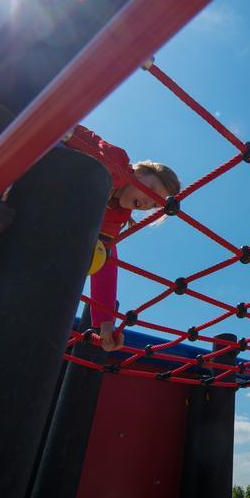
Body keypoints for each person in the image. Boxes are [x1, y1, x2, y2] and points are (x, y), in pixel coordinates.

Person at [64, 125, 180, 351]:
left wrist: (106, 326)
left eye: (155, 204)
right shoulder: (117, 162)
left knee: (102, 251)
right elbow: (91, 150)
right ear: (139, 172)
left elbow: (106, 262)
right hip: (47, 151)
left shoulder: (116, 218)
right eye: (152, 189)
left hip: (51, 209)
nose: (149, 203)